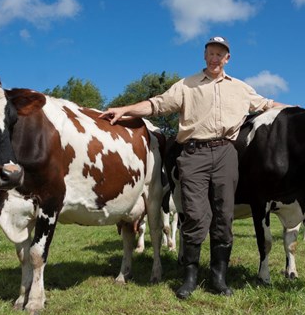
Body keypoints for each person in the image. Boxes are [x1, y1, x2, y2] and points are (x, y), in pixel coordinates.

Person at [100, 36, 291, 299]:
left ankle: (218, 278)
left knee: (224, 217)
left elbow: (269, 105)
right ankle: (189, 277)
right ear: (205, 56)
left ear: (227, 59)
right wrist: (125, 109)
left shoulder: (241, 89)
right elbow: (156, 105)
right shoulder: (186, 86)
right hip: (193, 154)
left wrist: (302, 112)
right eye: (211, 53)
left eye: (220, 54)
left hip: (226, 153)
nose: (215, 58)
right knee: (194, 215)